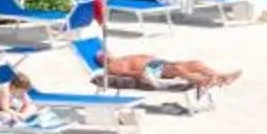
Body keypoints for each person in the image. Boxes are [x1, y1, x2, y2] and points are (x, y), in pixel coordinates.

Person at [98, 49, 239, 95]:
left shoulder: (122, 58)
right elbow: (127, 73)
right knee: (176, 69)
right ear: (103, 59)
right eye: (104, 54)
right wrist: (142, 74)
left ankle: (221, 76)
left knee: (195, 63)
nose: (108, 53)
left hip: (157, 64)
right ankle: (201, 80)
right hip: (149, 70)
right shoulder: (113, 66)